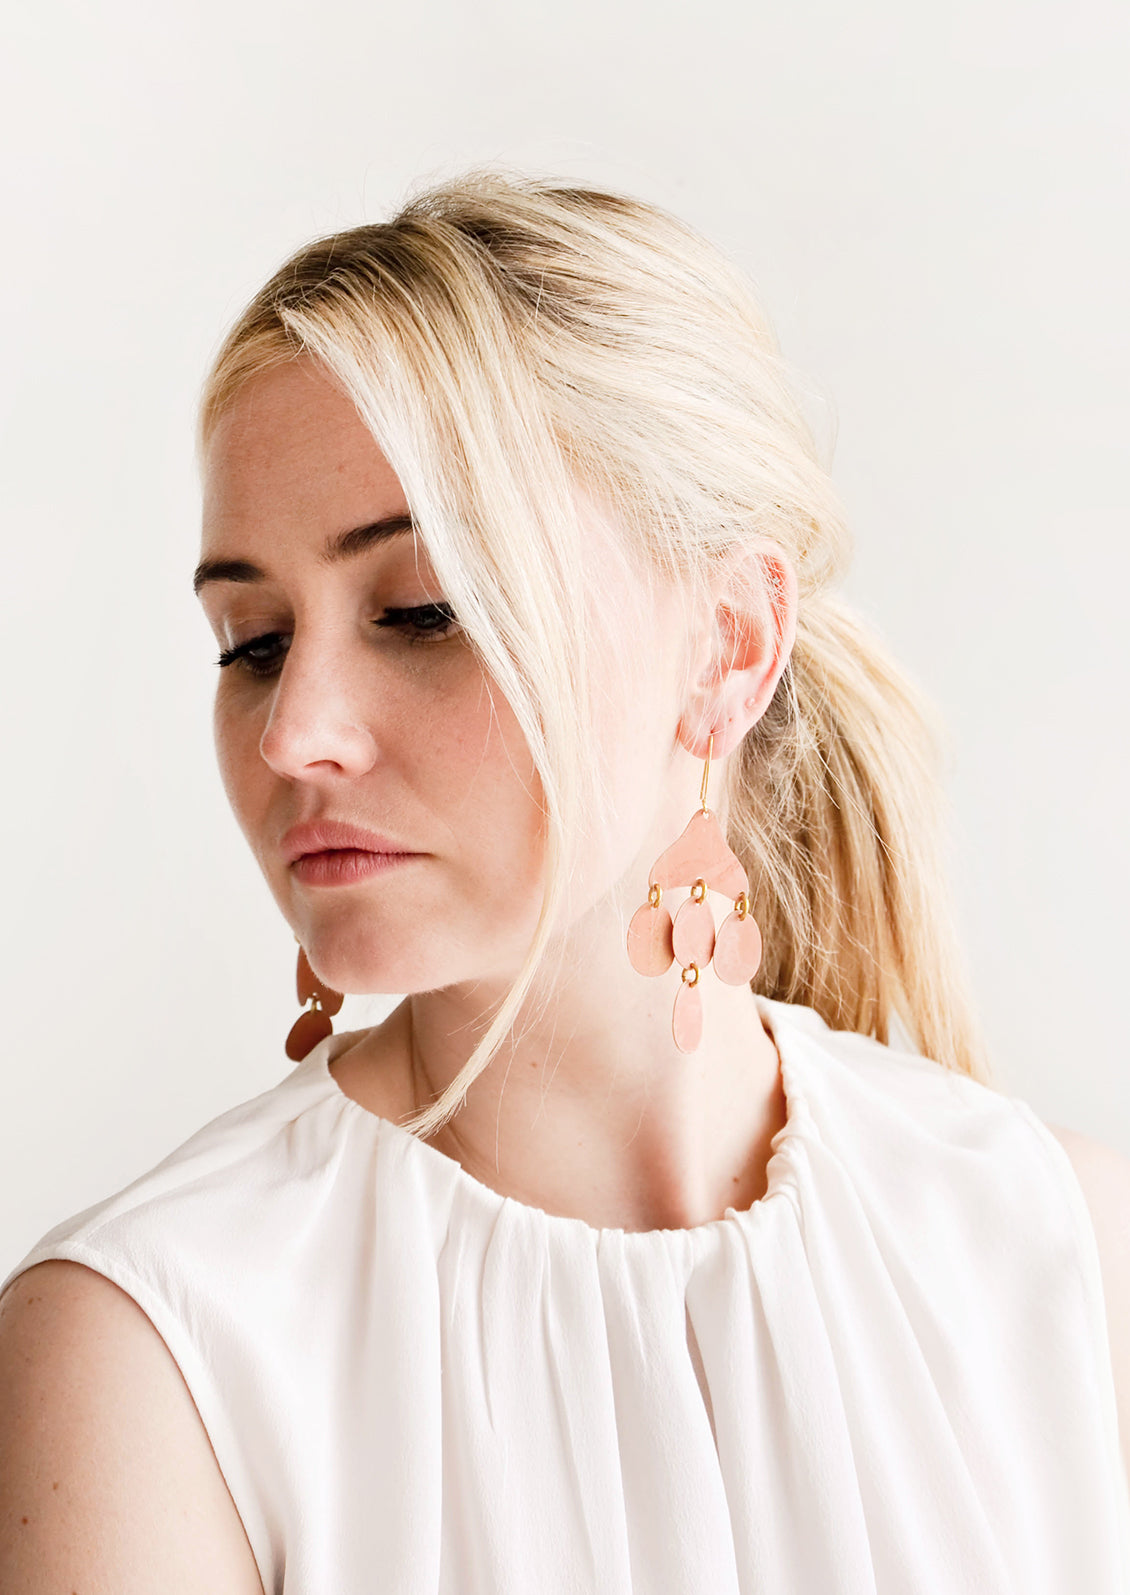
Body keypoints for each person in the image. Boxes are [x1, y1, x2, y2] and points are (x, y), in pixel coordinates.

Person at [1, 170, 1127, 1593]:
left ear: (725, 645)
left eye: (422, 612)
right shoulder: (153, 1351)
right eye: (251, 641)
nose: (294, 733)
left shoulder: (1068, 1259)